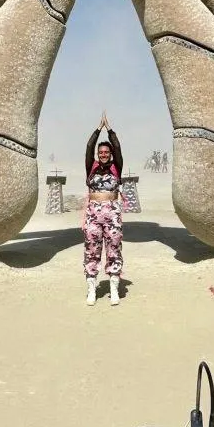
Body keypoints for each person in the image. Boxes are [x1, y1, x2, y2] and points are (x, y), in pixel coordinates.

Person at [83, 110, 124, 306]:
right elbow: (89, 147)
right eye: (101, 152)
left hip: (112, 215)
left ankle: (114, 289)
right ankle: (92, 289)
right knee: (92, 250)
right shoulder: (91, 167)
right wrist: (98, 129)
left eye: (107, 152)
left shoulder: (116, 167)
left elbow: (118, 148)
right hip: (93, 215)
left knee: (114, 248)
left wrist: (110, 130)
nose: (104, 154)